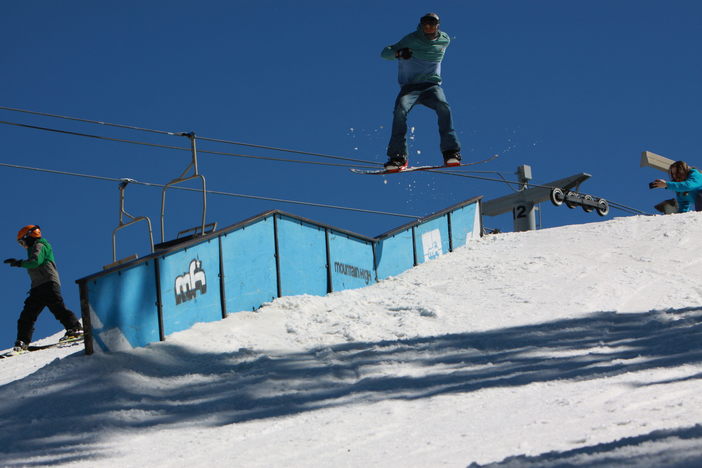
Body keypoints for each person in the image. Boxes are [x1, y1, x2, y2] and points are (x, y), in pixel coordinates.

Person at [381, 12, 462, 171]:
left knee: (443, 107)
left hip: (431, 86)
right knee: (400, 112)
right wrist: (399, 53)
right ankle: (398, 157)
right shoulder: (411, 39)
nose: (428, 28)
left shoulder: (444, 40)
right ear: (421, 25)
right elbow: (384, 53)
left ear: (437, 26)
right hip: (410, 88)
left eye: (431, 24)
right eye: (425, 24)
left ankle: (451, 152)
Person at [4, 225, 82, 352]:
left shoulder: (39, 246)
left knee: (57, 307)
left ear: (29, 236)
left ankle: (75, 329)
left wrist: (19, 263)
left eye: (22, 241)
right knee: (27, 315)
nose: (23, 245)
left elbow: (35, 262)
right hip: (37, 286)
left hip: (48, 283)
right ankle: (22, 341)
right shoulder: (34, 247)